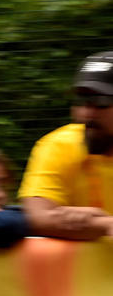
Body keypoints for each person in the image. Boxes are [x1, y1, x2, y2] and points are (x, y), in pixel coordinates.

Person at [18, 51, 113, 240]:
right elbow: (37, 217)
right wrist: (105, 223)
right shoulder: (57, 145)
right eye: (81, 101)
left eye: (101, 102)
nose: (87, 113)